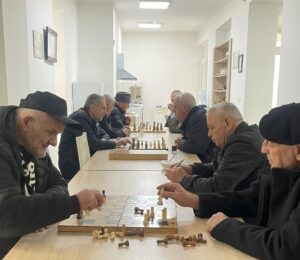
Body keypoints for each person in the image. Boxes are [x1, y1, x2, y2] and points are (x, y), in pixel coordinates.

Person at [158, 102, 300, 260]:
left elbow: (286, 248)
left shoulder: (249, 146)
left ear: (298, 150)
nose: (263, 149)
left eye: (271, 143)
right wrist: (194, 200)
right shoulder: (280, 171)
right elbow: (248, 199)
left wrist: (225, 226)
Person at [0, 91, 105, 258]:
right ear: (27, 122)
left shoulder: (31, 143)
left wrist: (35, 212)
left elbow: (60, 184)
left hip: (27, 243)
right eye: (51, 132)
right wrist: (74, 203)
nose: (54, 143)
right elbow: (6, 216)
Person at [166, 102, 268, 193]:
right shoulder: (236, 137)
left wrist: (184, 179)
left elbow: (216, 187)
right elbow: (218, 166)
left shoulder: (243, 143)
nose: (209, 134)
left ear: (228, 123)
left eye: (212, 127)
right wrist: (191, 169)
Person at [59, 94, 130, 180]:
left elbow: (104, 134)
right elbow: (93, 144)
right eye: (103, 108)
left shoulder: (91, 117)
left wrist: (103, 141)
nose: (105, 112)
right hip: (72, 165)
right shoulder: (79, 118)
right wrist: (115, 142)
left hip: (81, 160)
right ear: (92, 107)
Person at [173, 92, 214, 163]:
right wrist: (183, 141)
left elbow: (195, 147)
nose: (173, 110)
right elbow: (189, 139)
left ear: (184, 108)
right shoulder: (193, 116)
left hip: (207, 163)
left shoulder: (198, 118)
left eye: (175, 107)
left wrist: (181, 143)